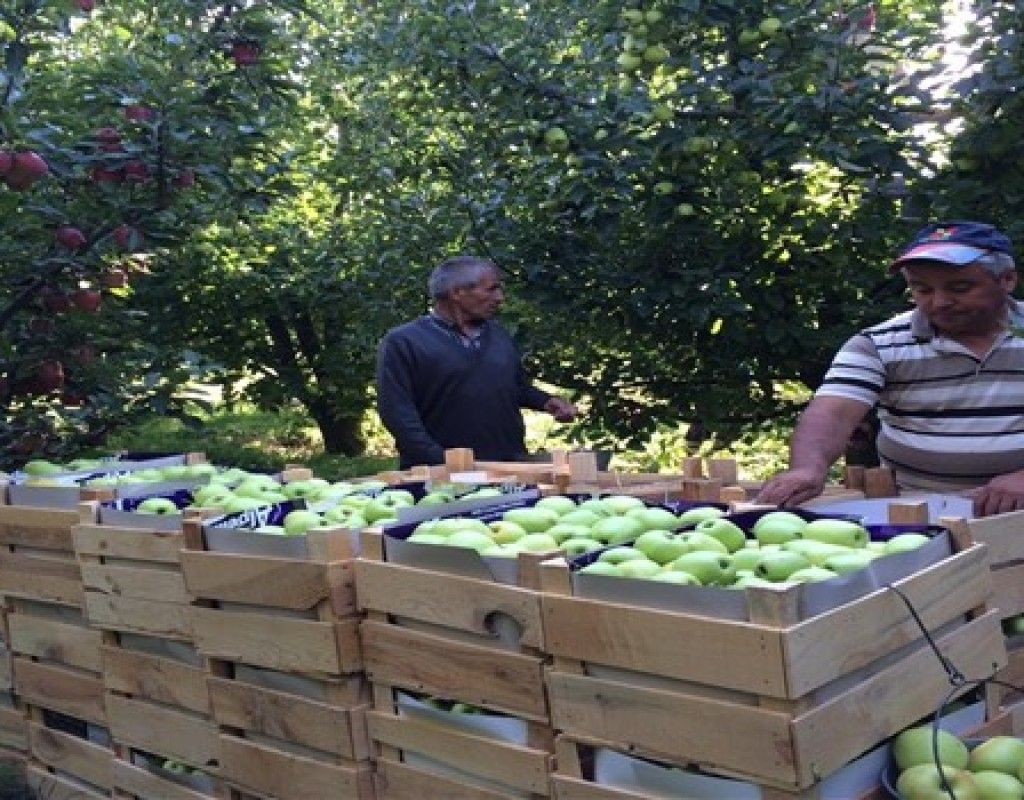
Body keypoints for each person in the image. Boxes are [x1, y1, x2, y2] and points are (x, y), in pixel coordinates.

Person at [757, 220, 1024, 517]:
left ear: (1007, 280)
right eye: (922, 289)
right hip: (918, 512)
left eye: (960, 288)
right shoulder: (878, 344)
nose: (940, 302)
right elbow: (833, 413)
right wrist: (807, 468)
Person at [376, 256, 577, 469]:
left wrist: (546, 402)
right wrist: (442, 461)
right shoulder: (405, 342)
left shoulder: (499, 335)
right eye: (491, 289)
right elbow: (397, 413)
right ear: (457, 293)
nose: (500, 298)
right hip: (438, 474)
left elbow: (515, 387)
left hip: (508, 468)